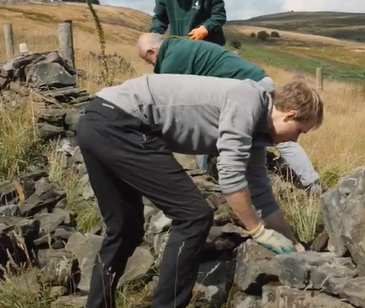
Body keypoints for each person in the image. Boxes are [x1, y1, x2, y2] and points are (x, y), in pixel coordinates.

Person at [75, 74, 322, 308]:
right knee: (193, 215)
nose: (297, 141)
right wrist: (257, 230)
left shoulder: (256, 131)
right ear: (290, 114)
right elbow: (230, 177)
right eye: (301, 131)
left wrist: (291, 240)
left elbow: (260, 193)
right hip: (123, 124)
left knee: (124, 231)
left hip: (98, 121)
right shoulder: (248, 100)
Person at [134, 32, 322, 192]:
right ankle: (210, 179)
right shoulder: (179, 48)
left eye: (147, 59)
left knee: (283, 136)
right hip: (250, 85)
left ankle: (312, 185)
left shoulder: (172, 61)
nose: (150, 64)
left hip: (250, 87)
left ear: (152, 51)